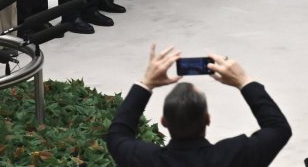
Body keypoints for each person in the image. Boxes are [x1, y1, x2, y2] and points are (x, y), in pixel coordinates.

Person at [107, 45, 291, 166]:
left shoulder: (145, 160)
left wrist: (146, 83)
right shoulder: (232, 155)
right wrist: (243, 81)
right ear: (208, 119)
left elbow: (117, 135)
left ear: (164, 121)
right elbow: (279, 129)